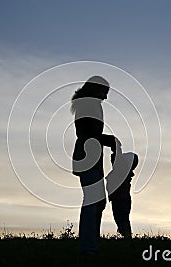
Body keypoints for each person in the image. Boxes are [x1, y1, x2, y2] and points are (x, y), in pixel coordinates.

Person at [71, 76, 121, 254]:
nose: (105, 97)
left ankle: (91, 244)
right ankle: (88, 247)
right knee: (93, 201)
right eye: (104, 92)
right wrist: (111, 140)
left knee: (97, 201)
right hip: (88, 155)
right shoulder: (90, 104)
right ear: (95, 89)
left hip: (89, 156)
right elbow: (90, 134)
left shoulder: (86, 104)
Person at [106, 149, 139, 238]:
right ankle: (126, 236)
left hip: (119, 198)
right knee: (122, 220)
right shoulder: (123, 170)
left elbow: (114, 158)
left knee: (122, 219)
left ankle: (127, 237)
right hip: (120, 198)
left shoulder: (121, 170)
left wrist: (116, 148)